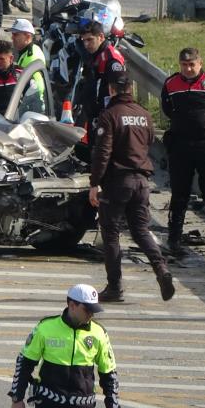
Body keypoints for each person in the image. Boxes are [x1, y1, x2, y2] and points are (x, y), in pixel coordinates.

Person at [89, 75, 175, 303]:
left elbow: (103, 152)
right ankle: (161, 269)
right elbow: (147, 145)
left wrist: (94, 183)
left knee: (111, 233)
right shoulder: (144, 115)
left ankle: (115, 287)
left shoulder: (110, 116)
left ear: (111, 89)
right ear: (131, 88)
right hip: (142, 181)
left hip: (118, 181)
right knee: (141, 231)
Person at [161, 48, 205, 254]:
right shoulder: (171, 83)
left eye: (192, 64)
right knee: (179, 194)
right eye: (184, 65)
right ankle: (174, 238)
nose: (188, 68)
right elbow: (167, 109)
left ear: (200, 63)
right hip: (181, 146)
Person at [8, 284, 120, 408]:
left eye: (93, 310)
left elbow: (109, 374)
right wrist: (17, 398)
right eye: (87, 310)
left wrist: (113, 406)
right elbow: (24, 363)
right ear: (72, 305)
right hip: (49, 404)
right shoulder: (45, 328)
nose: (91, 314)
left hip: (82, 406)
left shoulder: (99, 333)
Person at [74, 22, 125, 144]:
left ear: (101, 37)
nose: (86, 45)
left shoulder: (111, 59)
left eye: (90, 40)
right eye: (84, 40)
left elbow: (120, 92)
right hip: (95, 115)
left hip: (106, 118)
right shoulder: (96, 54)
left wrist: (108, 118)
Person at [10, 18, 46, 102]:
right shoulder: (30, 50)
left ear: (28, 36)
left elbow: (38, 88)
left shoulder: (32, 57)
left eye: (15, 35)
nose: (12, 38)